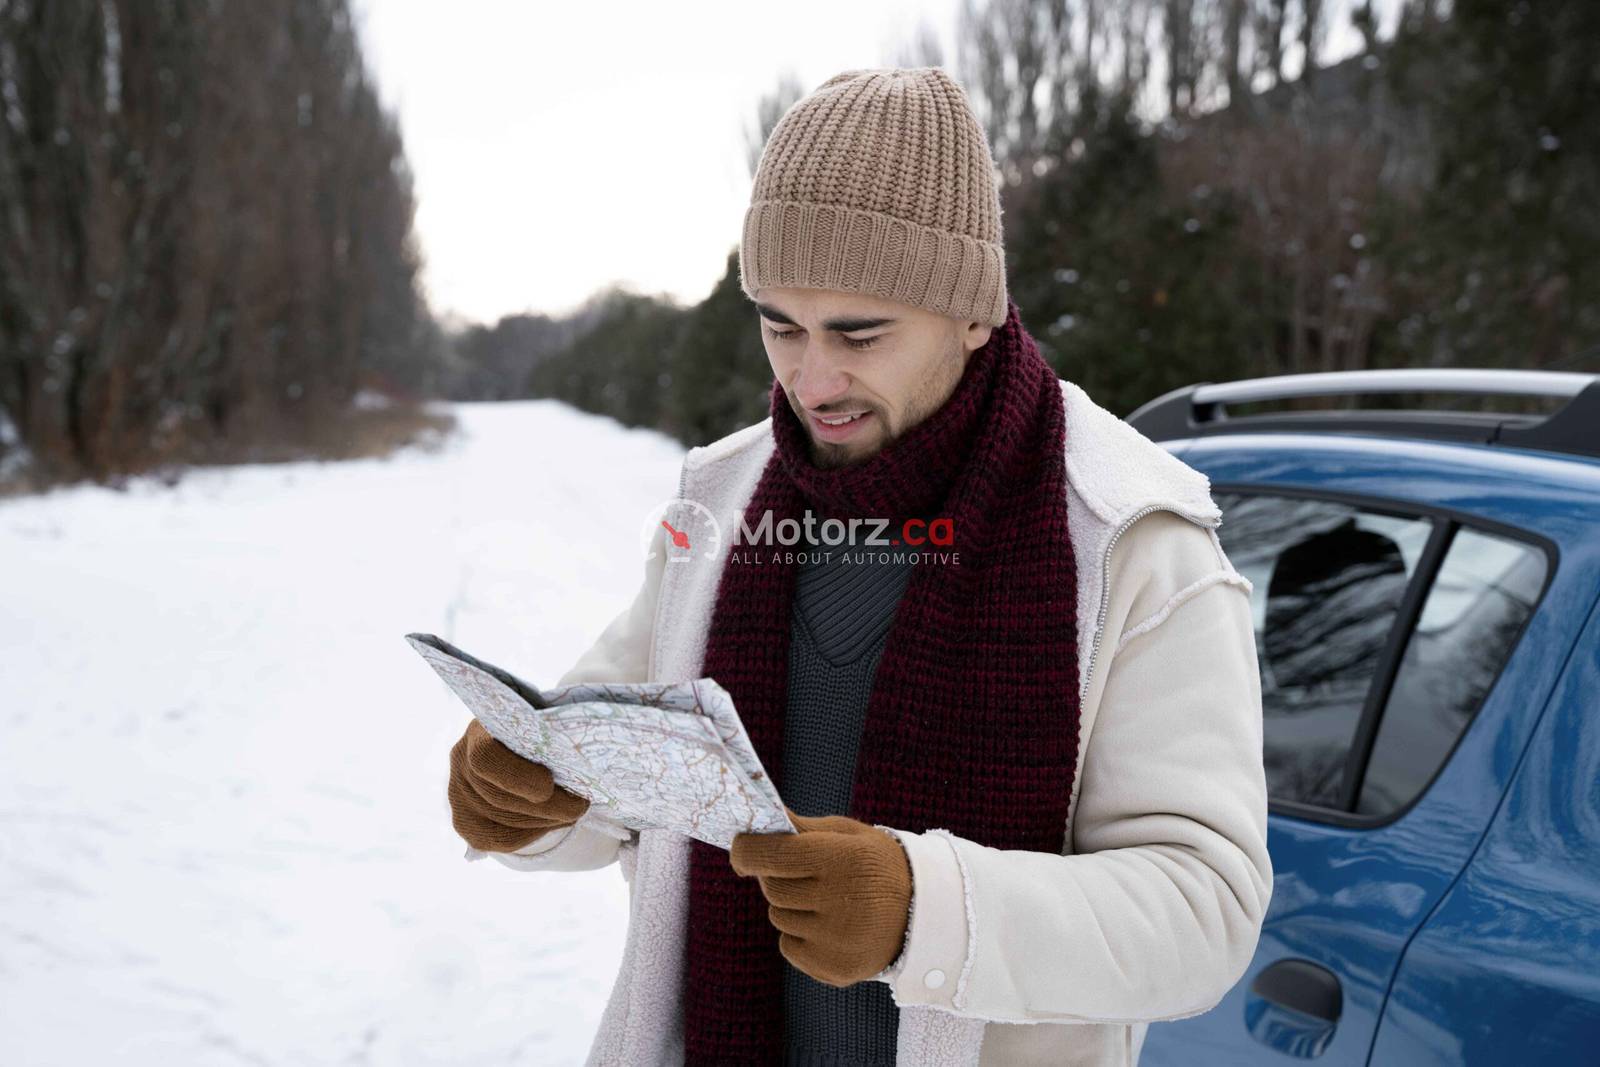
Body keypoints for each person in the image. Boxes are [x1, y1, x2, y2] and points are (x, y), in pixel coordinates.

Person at [446, 66, 1272, 1067]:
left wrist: (923, 907)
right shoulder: (721, 500)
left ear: (971, 312)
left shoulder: (1130, 535)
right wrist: (536, 802)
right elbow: (626, 775)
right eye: (781, 324)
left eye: (859, 332)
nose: (810, 378)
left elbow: (1203, 912)